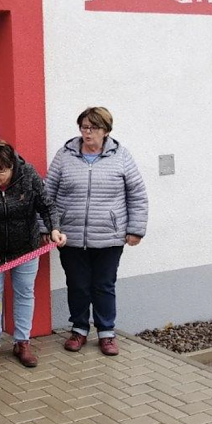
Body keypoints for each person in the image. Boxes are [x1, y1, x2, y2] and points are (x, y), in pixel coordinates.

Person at [44, 107, 148, 357]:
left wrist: (135, 229)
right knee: (78, 285)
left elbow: (137, 195)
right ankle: (79, 329)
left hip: (109, 237)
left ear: (106, 131)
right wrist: (48, 227)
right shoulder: (65, 155)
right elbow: (47, 194)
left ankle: (106, 333)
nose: (87, 132)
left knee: (104, 285)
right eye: (84, 127)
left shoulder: (121, 156)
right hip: (70, 236)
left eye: (93, 128)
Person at [0, 141, 65, 369]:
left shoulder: (28, 175)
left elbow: (46, 205)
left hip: (25, 247)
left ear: (12, 166)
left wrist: (54, 229)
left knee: (24, 293)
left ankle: (22, 342)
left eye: (0, 171)